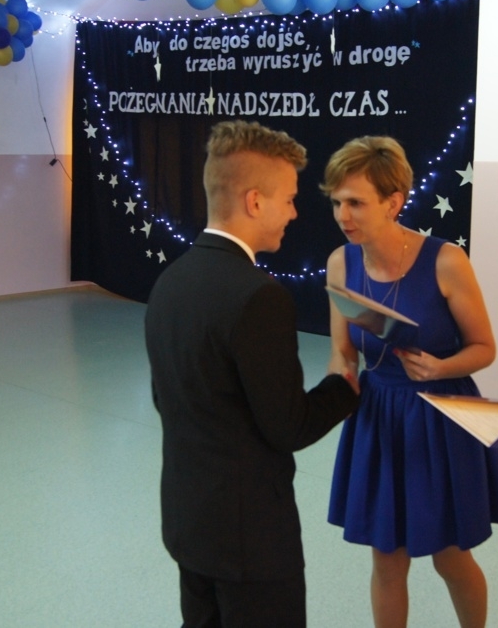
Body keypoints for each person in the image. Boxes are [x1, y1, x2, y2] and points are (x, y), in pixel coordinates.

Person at [145, 120, 360, 628]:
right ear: (255, 201)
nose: (294, 212)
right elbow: (289, 426)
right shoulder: (260, 297)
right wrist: (343, 385)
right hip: (249, 540)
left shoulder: (171, 281)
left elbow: (168, 398)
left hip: (188, 520)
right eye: (289, 199)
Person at [322, 135, 498, 628]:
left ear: (394, 202)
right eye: (337, 202)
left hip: (440, 417)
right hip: (379, 417)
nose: (343, 215)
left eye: (355, 203)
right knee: (387, 559)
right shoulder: (340, 263)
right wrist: (339, 382)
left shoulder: (446, 260)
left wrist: (440, 367)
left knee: (449, 556)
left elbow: (484, 348)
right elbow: (342, 351)